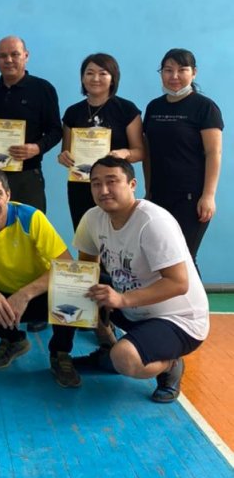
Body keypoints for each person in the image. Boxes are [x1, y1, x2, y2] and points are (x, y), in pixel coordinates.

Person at [74, 156, 209, 403]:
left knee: (125, 358)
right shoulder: (93, 218)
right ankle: (107, 349)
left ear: (132, 184)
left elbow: (178, 283)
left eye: (112, 181)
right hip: (135, 309)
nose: (103, 190)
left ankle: (170, 365)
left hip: (178, 319)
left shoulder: (153, 222)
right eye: (96, 183)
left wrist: (122, 299)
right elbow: (86, 268)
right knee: (78, 287)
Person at [0, 169, 80, 387]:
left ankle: (60, 353)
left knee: (72, 286)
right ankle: (13, 340)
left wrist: (25, 294)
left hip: (38, 295)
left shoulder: (31, 218)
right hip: (1, 299)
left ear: (8, 195)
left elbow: (67, 266)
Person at [143, 48, 223, 266]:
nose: (174, 76)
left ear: (194, 72)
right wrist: (149, 190)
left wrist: (208, 196)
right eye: (168, 70)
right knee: (160, 259)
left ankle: (195, 293)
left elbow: (213, 153)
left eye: (182, 70)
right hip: (159, 195)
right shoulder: (154, 107)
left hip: (191, 198)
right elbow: (148, 153)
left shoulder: (205, 107)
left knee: (183, 258)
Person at [0, 36, 62, 212]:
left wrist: (37, 148)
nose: (9, 60)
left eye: (15, 54)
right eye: (3, 56)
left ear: (26, 56)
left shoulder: (43, 89)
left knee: (30, 225)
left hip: (27, 176)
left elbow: (56, 130)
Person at [57, 53, 144, 230]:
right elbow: (65, 152)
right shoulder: (73, 112)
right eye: (89, 73)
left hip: (115, 185)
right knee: (85, 235)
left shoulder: (126, 109)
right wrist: (63, 157)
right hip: (81, 185)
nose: (95, 78)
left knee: (119, 234)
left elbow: (140, 152)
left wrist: (124, 153)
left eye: (103, 73)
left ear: (113, 78)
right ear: (82, 78)